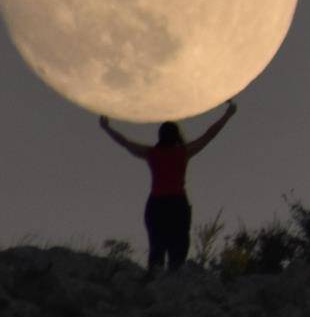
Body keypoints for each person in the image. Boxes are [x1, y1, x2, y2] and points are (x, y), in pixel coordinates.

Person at [99, 100, 237, 278]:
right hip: (177, 205)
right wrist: (227, 115)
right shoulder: (183, 152)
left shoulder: (152, 153)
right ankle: (172, 281)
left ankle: (155, 281)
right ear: (177, 135)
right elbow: (208, 136)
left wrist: (107, 128)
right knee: (178, 249)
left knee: (157, 248)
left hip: (157, 205)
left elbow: (126, 143)